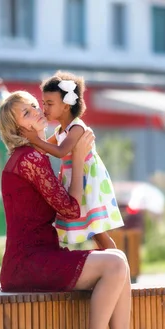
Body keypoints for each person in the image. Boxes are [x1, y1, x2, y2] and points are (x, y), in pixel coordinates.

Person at [0, 90, 161, 329]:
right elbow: (71, 210)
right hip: (30, 263)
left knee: (118, 260)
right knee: (114, 264)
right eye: (27, 112)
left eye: (36, 106)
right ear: (18, 128)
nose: (37, 111)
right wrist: (79, 158)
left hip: (37, 259)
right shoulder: (31, 158)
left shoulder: (31, 157)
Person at [24, 70, 123, 250]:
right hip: (75, 180)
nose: (44, 108)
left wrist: (35, 140)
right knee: (94, 231)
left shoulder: (76, 128)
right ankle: (114, 262)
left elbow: (61, 151)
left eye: (49, 104)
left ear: (66, 105)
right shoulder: (60, 131)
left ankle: (118, 263)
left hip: (87, 181)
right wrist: (33, 138)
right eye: (43, 103)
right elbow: (43, 149)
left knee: (98, 230)